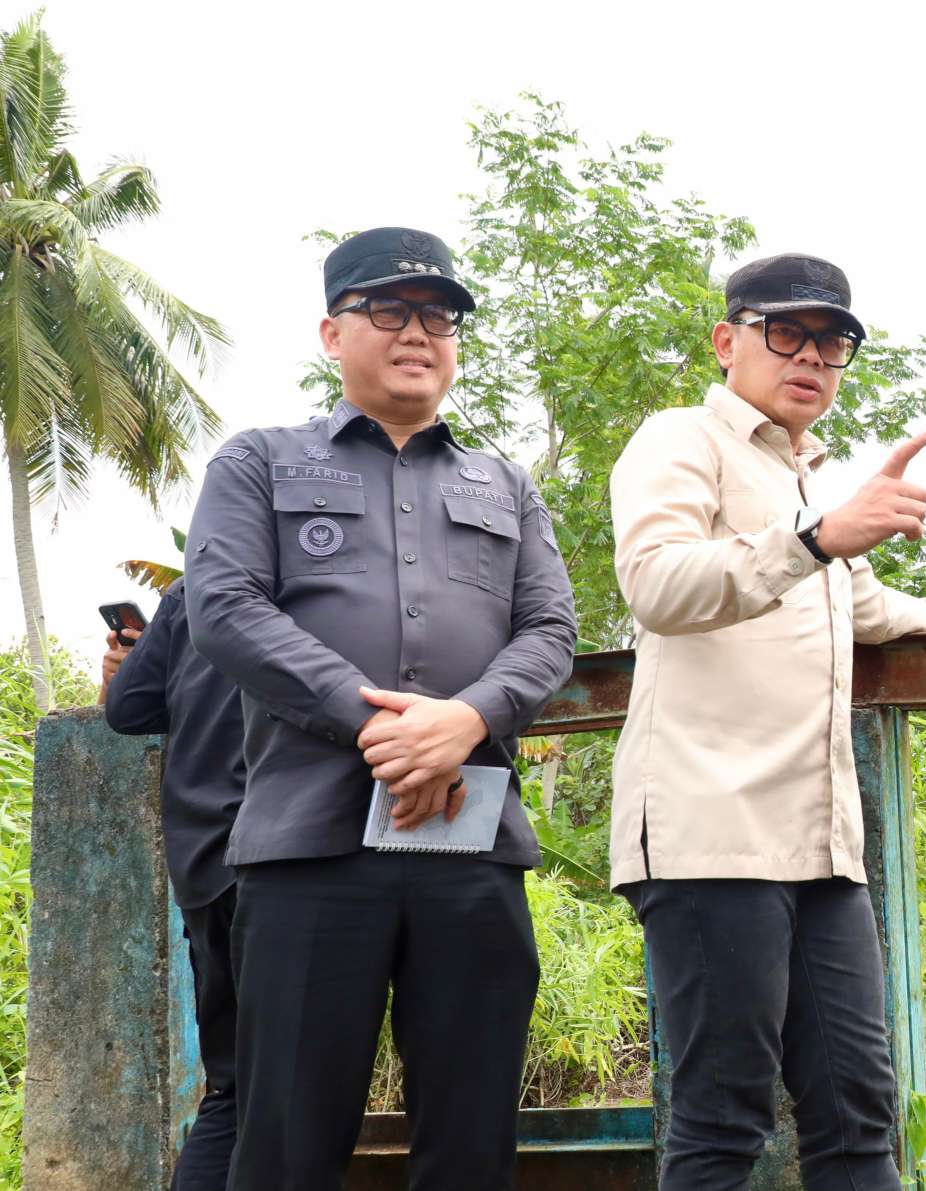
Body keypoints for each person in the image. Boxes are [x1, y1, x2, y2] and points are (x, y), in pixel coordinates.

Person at [607, 252, 926, 1191]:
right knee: (723, 1113)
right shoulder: (680, 441)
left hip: (820, 844)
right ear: (728, 341)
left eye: (830, 341)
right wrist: (816, 536)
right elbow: (657, 583)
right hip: (709, 832)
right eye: (783, 332)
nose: (810, 356)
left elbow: (866, 610)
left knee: (856, 1106)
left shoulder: (806, 478)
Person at [185, 226, 578, 1190]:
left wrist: (466, 721)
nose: (419, 331)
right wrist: (375, 725)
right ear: (332, 331)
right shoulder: (259, 462)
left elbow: (549, 630)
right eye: (389, 309)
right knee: (285, 1139)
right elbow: (225, 607)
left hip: (469, 848)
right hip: (309, 851)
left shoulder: (505, 484)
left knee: (473, 1139)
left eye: (438, 314)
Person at [101, 582, 247, 1191]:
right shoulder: (334, 566)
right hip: (289, 856)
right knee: (291, 1089)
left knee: (237, 1089)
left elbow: (125, 707)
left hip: (206, 861)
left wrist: (123, 668)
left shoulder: (195, 589)